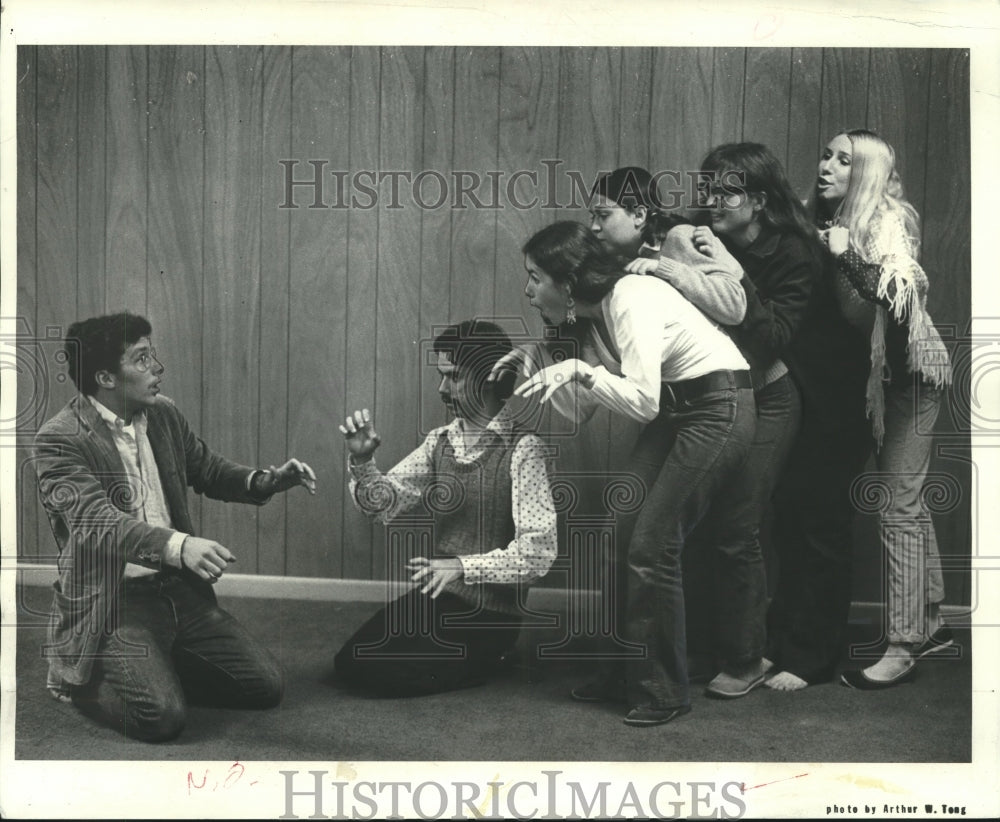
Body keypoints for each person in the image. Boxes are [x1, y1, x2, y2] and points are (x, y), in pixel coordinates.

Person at [507, 221, 762, 726]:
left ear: (570, 281)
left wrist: (580, 372)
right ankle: (619, 674)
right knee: (618, 534)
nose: (529, 290)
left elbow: (640, 402)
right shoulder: (594, 319)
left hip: (720, 406)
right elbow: (579, 411)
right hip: (678, 409)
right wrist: (538, 364)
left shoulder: (631, 296)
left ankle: (662, 691)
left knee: (653, 545)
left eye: (536, 277)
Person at [32, 312, 317, 742]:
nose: (157, 369)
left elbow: (206, 467)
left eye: (153, 355)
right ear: (106, 377)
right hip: (115, 602)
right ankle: (75, 677)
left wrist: (264, 481)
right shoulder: (59, 439)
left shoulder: (161, 414)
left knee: (264, 686)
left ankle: (158, 662)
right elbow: (97, 523)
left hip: (177, 592)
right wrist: (180, 546)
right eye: (142, 359)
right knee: (160, 718)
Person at [335, 319, 557, 696]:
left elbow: (538, 553)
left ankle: (489, 657)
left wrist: (460, 566)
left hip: (491, 616)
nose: (441, 389)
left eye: (452, 376)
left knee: (377, 675)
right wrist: (363, 462)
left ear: (490, 377)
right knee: (350, 661)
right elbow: (383, 505)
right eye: (442, 376)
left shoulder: (524, 448)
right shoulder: (440, 442)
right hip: (441, 599)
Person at [674, 143, 820, 687]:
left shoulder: (792, 253)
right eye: (707, 187)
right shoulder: (693, 234)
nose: (711, 199)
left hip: (769, 395)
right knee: (693, 524)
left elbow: (772, 340)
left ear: (758, 201)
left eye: (726, 190)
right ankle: (701, 648)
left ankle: (745, 658)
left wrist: (735, 273)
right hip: (711, 397)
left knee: (738, 526)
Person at [812, 129, 953, 689]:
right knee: (909, 503)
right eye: (826, 155)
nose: (826, 166)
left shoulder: (886, 222)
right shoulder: (837, 222)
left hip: (914, 378)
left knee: (897, 507)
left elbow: (895, 292)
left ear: (866, 173)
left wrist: (845, 254)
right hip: (884, 379)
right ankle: (933, 619)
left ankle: (902, 643)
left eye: (843, 160)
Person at [588, 165, 746, 326]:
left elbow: (734, 306)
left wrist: (667, 269)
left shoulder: (678, 238)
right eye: (592, 217)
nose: (594, 227)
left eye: (603, 215)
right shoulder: (623, 257)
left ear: (639, 215)